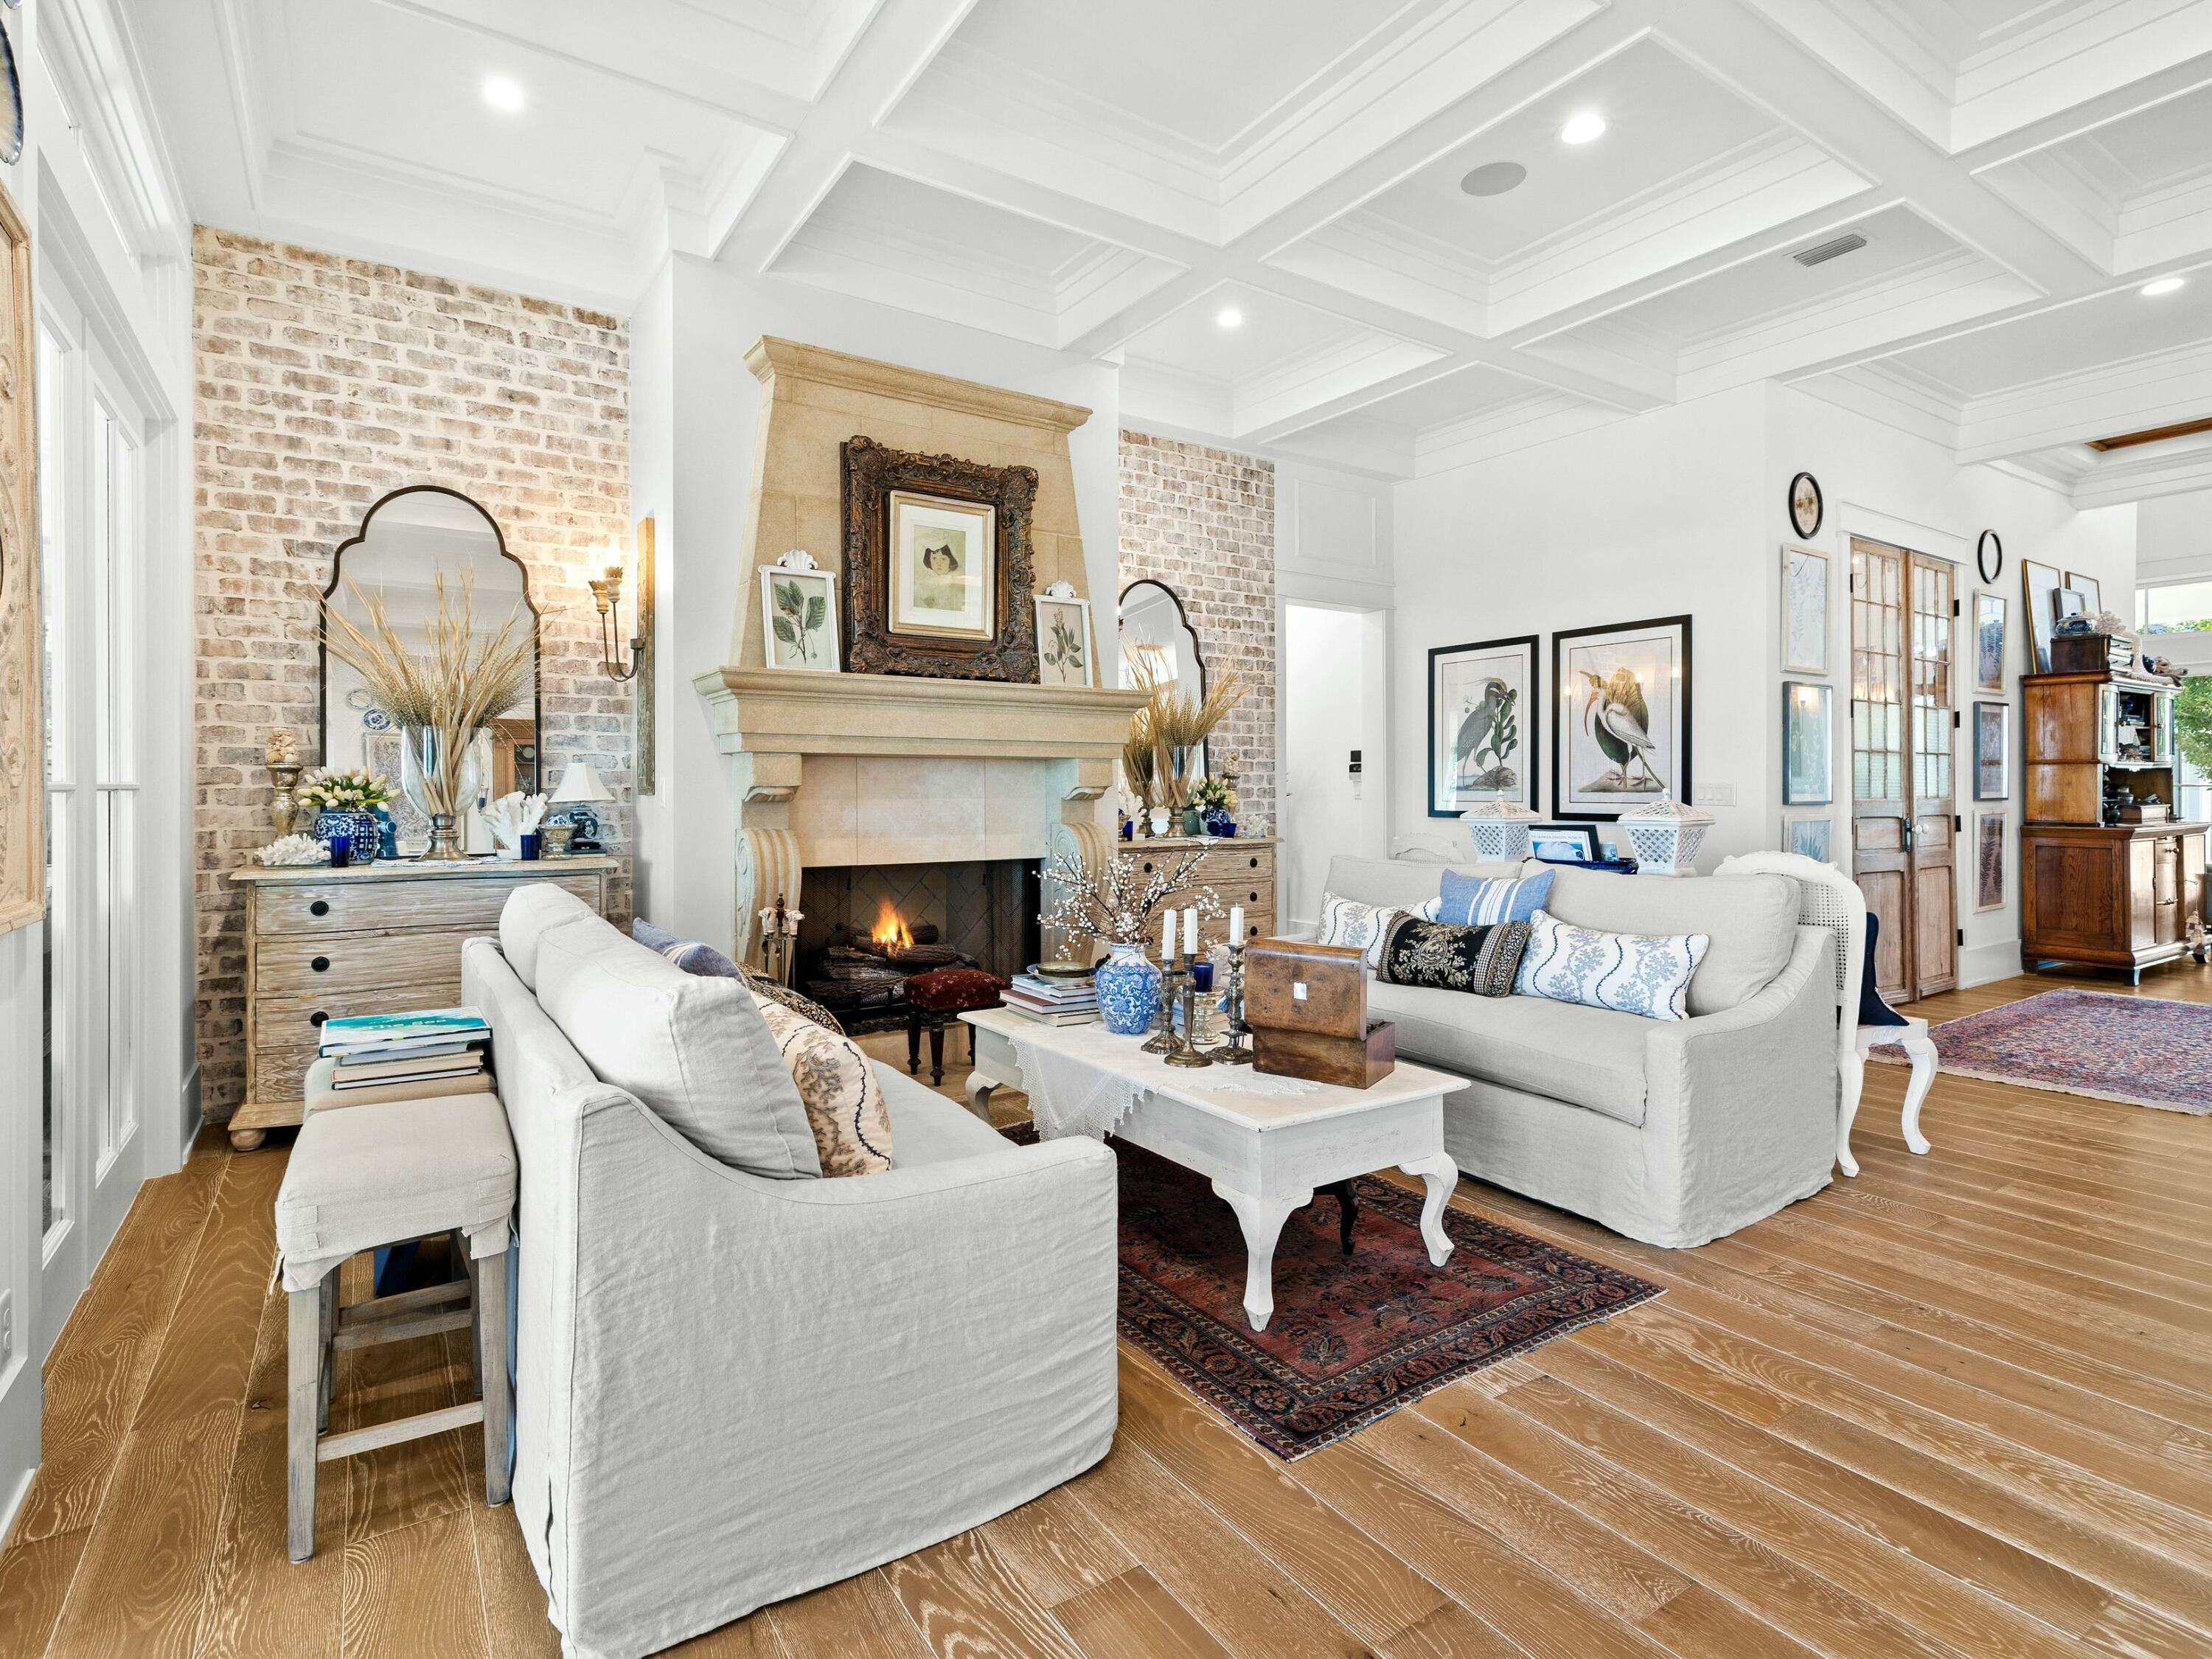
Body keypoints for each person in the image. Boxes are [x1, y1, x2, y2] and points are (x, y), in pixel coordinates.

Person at [914, 538, 965, 613]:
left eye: (943, 559)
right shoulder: (923, 581)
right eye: (934, 558)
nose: (938, 563)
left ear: (951, 561)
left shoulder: (955, 583)